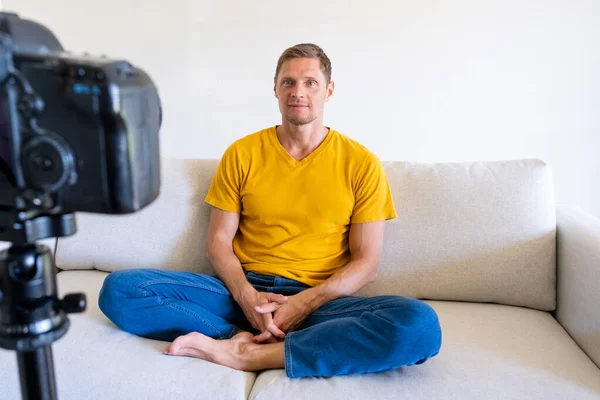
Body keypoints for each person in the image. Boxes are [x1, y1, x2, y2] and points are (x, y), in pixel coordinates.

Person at [98, 43, 442, 378]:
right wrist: (247, 297)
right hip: (241, 293)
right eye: (288, 82)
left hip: (319, 301)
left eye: (310, 83)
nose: (298, 92)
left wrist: (303, 304)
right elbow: (219, 242)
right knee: (121, 289)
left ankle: (253, 354)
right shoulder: (242, 153)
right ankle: (235, 337)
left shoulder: (361, 163)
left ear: (329, 91)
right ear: (275, 89)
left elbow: (367, 264)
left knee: (419, 325)